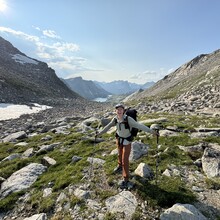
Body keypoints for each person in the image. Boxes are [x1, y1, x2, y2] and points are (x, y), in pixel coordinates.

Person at [96, 103, 158, 189]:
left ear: (123, 111)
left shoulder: (128, 119)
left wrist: (152, 132)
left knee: (125, 160)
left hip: (126, 141)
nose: (119, 111)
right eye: (117, 110)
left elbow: (139, 126)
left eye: (121, 109)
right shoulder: (115, 119)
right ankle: (119, 166)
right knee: (119, 154)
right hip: (119, 139)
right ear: (115, 111)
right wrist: (100, 133)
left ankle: (126, 179)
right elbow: (108, 126)